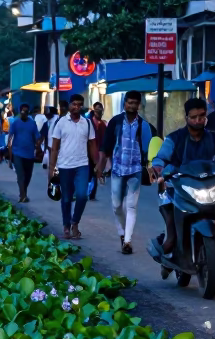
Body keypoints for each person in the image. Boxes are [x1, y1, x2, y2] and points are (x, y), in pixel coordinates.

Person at [151, 97, 215, 255]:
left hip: (209, 187)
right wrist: (159, 170)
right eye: (193, 117)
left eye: (202, 116)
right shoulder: (174, 138)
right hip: (179, 187)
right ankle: (169, 237)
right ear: (186, 118)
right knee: (167, 203)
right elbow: (161, 158)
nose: (198, 120)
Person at [97, 92, 154, 254]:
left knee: (131, 206)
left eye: (135, 103)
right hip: (117, 170)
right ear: (124, 104)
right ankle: (122, 234)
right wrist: (100, 169)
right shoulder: (115, 122)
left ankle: (127, 241)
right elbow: (105, 147)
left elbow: (151, 150)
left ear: (139, 105)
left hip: (135, 170)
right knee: (116, 206)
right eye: (129, 103)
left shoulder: (144, 126)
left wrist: (151, 168)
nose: (132, 106)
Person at [49, 94, 98, 240]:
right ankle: (66, 226)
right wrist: (52, 169)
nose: (76, 107)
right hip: (64, 165)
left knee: (83, 195)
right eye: (74, 104)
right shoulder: (61, 123)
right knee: (66, 198)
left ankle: (75, 222)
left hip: (82, 165)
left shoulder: (87, 123)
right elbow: (55, 148)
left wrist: (96, 165)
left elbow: (92, 145)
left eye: (79, 104)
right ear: (70, 105)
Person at [7, 102, 39, 202]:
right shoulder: (15, 123)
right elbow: (10, 139)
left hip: (29, 154)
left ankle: (23, 192)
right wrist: (10, 156)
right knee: (20, 175)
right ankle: (23, 195)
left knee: (28, 176)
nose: (24, 113)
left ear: (28, 112)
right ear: (20, 112)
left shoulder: (32, 123)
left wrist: (37, 148)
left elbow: (36, 137)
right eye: (23, 111)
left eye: (26, 111)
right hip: (17, 153)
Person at [88, 102, 107, 200]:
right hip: (89, 151)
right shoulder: (89, 122)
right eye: (97, 109)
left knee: (96, 172)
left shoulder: (104, 124)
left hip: (100, 151)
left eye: (100, 109)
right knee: (89, 171)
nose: (99, 111)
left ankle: (92, 193)